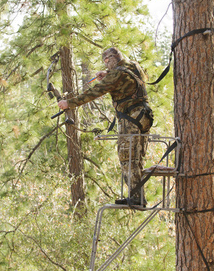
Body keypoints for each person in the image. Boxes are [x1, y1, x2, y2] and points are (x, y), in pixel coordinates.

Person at [57, 47, 153, 206]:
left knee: (127, 156)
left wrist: (69, 103)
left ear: (115, 57)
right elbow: (125, 78)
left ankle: (136, 198)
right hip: (144, 117)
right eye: (105, 62)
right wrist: (108, 75)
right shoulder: (133, 66)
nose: (106, 63)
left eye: (107, 60)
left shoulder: (117, 74)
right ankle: (138, 196)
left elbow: (94, 92)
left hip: (131, 118)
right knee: (136, 156)